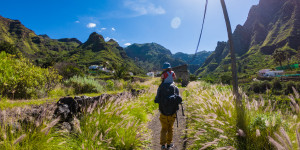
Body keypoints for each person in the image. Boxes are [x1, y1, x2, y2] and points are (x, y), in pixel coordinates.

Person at [154, 62, 181, 150]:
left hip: (163, 111)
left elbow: (157, 99)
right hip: (173, 112)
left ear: (164, 68)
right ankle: (169, 145)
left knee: (163, 128)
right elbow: (179, 100)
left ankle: (162, 145)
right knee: (170, 128)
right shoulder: (175, 87)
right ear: (170, 68)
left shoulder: (161, 87)